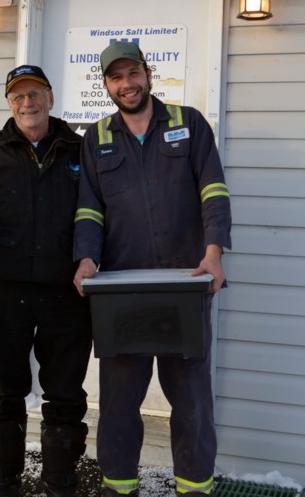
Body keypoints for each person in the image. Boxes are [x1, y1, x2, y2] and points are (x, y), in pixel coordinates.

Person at [71, 41, 232, 497]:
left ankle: (194, 488)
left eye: (133, 74)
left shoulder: (189, 123)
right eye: (116, 77)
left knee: (192, 401)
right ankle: (118, 488)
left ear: (148, 73)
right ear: (106, 85)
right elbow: (89, 209)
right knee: (120, 402)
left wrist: (214, 252)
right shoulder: (96, 138)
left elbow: (214, 191)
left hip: (186, 286)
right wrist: (86, 258)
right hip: (123, 293)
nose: (127, 84)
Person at [0, 65, 92, 497]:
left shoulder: (79, 151)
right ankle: (3, 480)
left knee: (65, 390)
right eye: (17, 97)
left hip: (67, 293)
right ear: (9, 104)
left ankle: (60, 479)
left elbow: (107, 212)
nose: (27, 103)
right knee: (5, 388)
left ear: (49, 97)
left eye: (34, 94)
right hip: (5, 291)